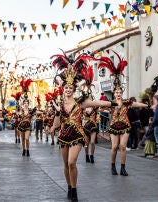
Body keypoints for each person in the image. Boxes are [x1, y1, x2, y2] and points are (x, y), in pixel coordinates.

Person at [50, 52, 114, 202]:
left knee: (72, 162)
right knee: (66, 164)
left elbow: (98, 103)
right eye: (65, 88)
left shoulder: (80, 102)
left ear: (73, 90)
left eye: (70, 88)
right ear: (63, 89)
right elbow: (57, 120)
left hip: (78, 135)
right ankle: (69, 187)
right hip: (64, 135)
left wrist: (113, 104)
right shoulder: (60, 104)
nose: (68, 90)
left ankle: (74, 188)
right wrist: (53, 127)